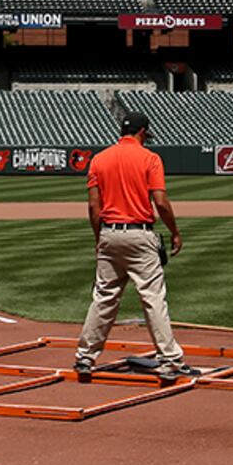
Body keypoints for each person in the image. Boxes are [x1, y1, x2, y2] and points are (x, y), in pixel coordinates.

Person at [74, 111, 198, 383]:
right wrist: (175, 232)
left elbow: (94, 206)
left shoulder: (99, 159)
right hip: (139, 234)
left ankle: (85, 356)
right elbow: (161, 202)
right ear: (143, 132)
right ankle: (169, 360)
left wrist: (99, 238)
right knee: (153, 299)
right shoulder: (149, 158)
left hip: (109, 233)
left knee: (104, 297)